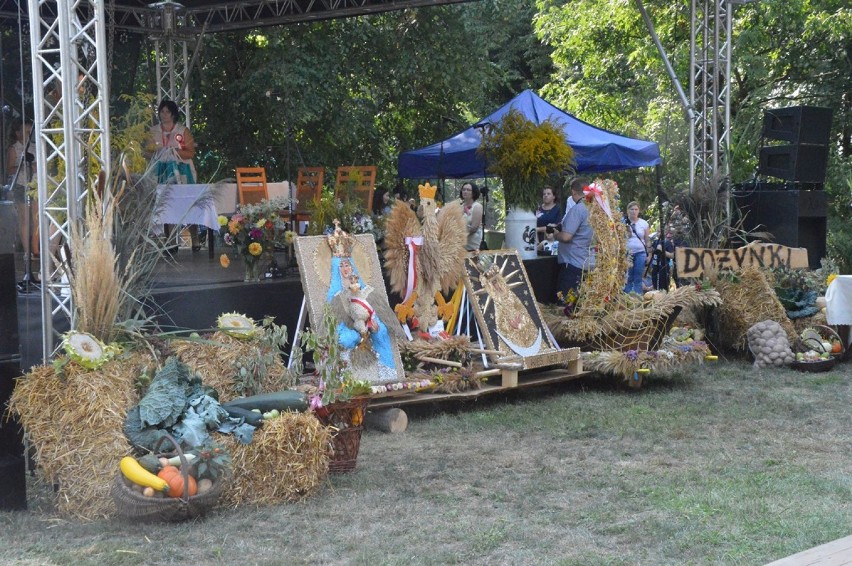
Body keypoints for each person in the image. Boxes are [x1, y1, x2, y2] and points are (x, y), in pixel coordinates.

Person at [146, 100, 200, 252]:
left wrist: (173, 152)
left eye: (167, 112)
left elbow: (190, 152)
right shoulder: (153, 131)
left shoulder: (182, 131)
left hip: (183, 173)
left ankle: (194, 238)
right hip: (161, 172)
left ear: (173, 114)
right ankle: (169, 240)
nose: (164, 115)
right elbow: (147, 152)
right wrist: (159, 153)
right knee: (165, 204)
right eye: (162, 112)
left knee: (188, 203)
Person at [554, 178, 596, 300]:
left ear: (573, 192)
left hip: (573, 262)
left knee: (567, 304)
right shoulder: (594, 209)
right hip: (589, 261)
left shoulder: (578, 209)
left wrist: (556, 234)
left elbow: (566, 236)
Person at [5, 119, 38, 261]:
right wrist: (25, 166)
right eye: (25, 132)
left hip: (35, 185)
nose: (28, 134)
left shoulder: (35, 147)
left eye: (30, 131)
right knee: (25, 219)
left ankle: (36, 248)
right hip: (21, 185)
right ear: (18, 133)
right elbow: (9, 170)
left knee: (36, 218)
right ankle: (27, 252)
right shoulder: (14, 149)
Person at [623, 201, 650, 295]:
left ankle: (638, 297)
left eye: (636, 209)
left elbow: (647, 239)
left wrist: (649, 254)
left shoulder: (644, 223)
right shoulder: (623, 222)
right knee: (629, 276)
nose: (634, 211)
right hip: (628, 253)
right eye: (632, 209)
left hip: (640, 252)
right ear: (628, 210)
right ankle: (627, 297)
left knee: (638, 276)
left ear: (639, 211)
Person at [460, 181, 483, 252]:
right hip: (459, 246)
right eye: (463, 189)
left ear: (473, 192)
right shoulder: (459, 206)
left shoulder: (477, 206)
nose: (465, 191)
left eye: (468, 190)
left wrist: (460, 235)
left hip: (472, 247)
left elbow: (474, 228)